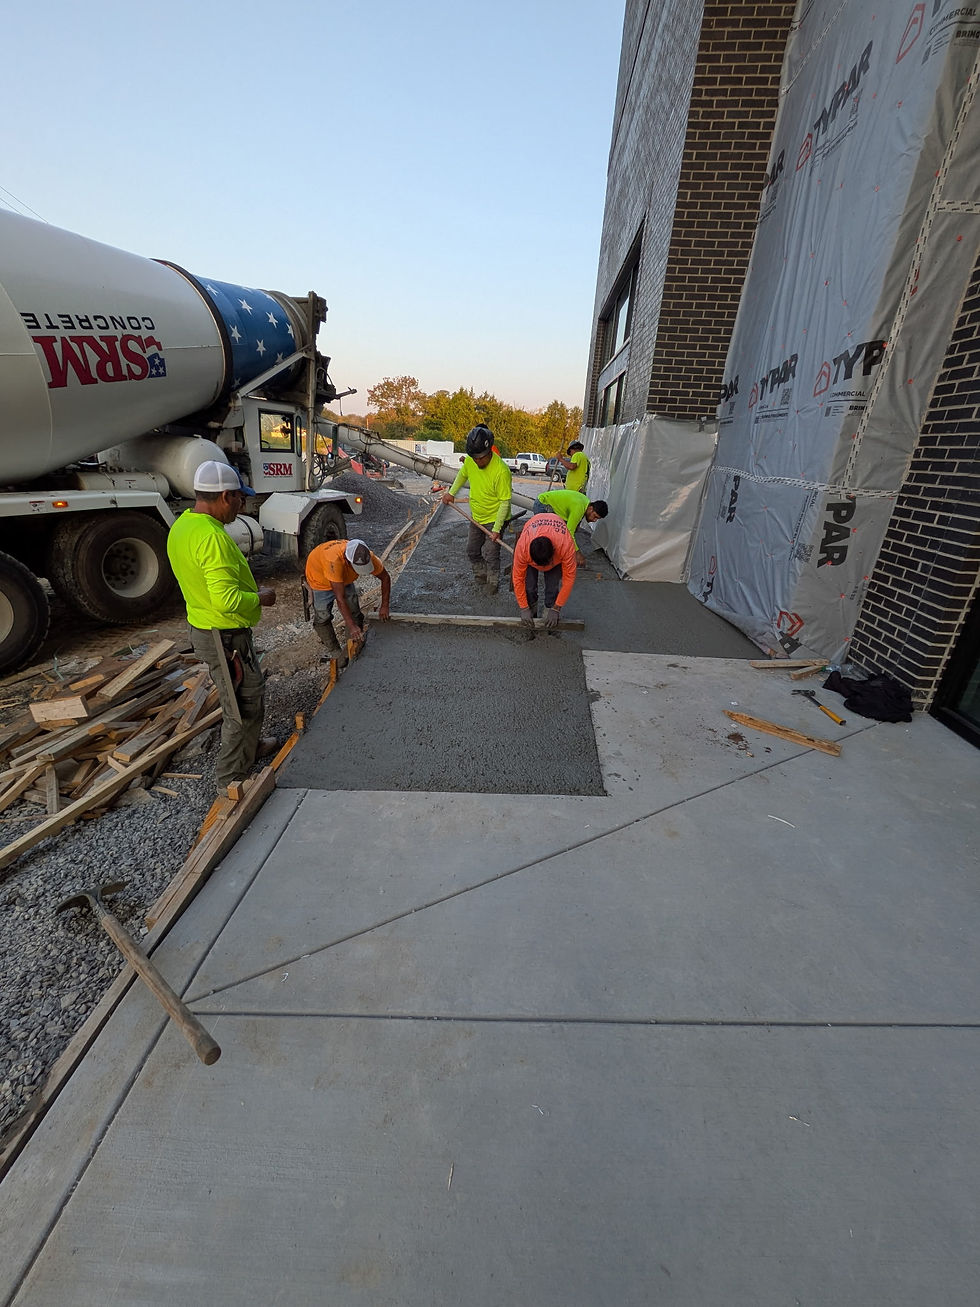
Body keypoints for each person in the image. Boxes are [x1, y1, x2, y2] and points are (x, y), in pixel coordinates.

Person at [166, 459, 278, 789]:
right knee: (241, 707)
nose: (241, 507)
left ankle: (249, 749)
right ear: (226, 496)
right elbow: (226, 599)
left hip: (207, 627)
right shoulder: (212, 539)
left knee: (247, 697)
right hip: (225, 636)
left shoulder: (183, 526)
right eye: (241, 500)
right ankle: (231, 781)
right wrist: (261, 597)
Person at [442, 424, 513, 594]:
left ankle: (493, 582)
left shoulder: (501, 471)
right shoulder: (471, 461)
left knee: (491, 553)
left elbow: (504, 502)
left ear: (489, 451)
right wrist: (451, 493)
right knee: (472, 550)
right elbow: (462, 474)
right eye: (475, 458)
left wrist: (496, 529)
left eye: (481, 458)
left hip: (495, 518)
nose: (478, 461)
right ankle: (480, 574)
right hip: (477, 517)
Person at [305, 537, 391, 666]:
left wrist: (384, 605)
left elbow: (385, 578)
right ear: (347, 560)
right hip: (320, 580)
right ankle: (335, 651)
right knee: (323, 616)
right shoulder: (333, 560)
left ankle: (353, 645)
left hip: (344, 578)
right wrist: (351, 626)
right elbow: (340, 598)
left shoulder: (367, 555)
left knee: (354, 611)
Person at [512, 512, 578, 631]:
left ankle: (549, 618)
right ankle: (532, 614)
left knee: (552, 589)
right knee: (529, 588)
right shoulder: (523, 548)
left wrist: (556, 608)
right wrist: (524, 607)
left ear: (553, 551)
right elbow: (518, 579)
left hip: (556, 551)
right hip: (534, 533)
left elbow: (569, 579)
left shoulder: (565, 545)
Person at [526, 488, 608, 556]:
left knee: (559, 533)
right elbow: (569, 532)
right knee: (546, 536)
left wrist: (576, 525)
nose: (594, 520)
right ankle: (534, 552)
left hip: (550, 504)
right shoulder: (579, 508)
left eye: (597, 519)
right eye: (595, 517)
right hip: (543, 504)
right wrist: (577, 553)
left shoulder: (586, 503)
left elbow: (576, 519)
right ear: (591, 509)